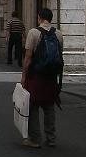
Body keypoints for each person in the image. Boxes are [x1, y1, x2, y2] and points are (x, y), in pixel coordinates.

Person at [21, 8, 63, 149]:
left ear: (39, 18)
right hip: (51, 76)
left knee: (33, 107)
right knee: (49, 106)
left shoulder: (33, 32)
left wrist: (23, 76)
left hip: (36, 75)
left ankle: (35, 139)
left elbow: (28, 57)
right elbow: (59, 56)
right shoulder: (58, 34)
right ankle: (51, 138)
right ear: (50, 19)